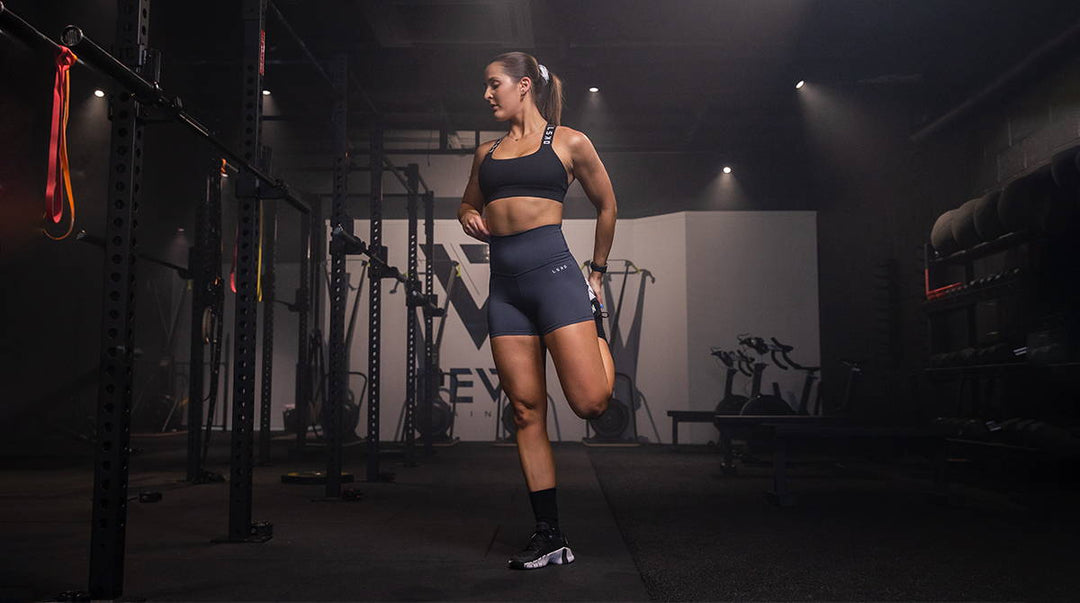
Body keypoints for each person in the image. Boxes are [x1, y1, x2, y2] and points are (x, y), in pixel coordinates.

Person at [457, 51, 618, 570]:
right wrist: (466, 215)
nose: (486, 95)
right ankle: (549, 533)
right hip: (504, 289)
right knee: (525, 411)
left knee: (591, 404)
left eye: (493, 84)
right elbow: (467, 202)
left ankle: (598, 339)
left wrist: (596, 272)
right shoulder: (486, 152)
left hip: (555, 279)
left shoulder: (569, 142)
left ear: (523, 85)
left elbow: (607, 204)